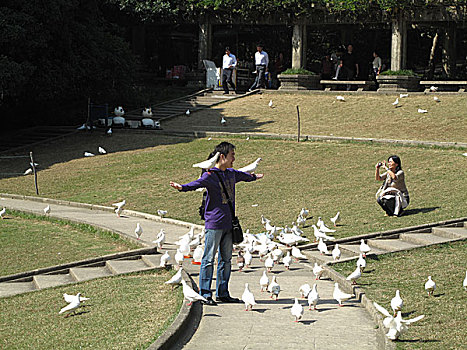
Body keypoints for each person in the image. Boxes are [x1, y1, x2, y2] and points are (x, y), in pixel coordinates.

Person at [170, 142, 264, 305]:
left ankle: (223, 292)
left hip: (229, 224)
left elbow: (245, 176)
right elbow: (195, 184)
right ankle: (205, 293)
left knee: (226, 259)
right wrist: (182, 187)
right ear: (222, 157)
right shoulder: (210, 175)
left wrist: (254, 177)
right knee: (207, 259)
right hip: (214, 224)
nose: (234, 158)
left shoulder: (231, 173)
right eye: (232, 155)